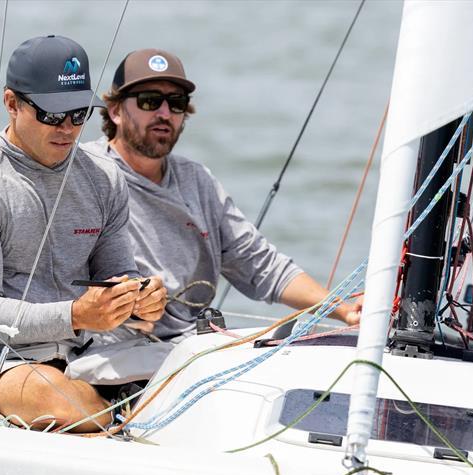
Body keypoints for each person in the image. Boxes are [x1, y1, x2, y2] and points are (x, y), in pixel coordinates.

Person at [0, 35, 168, 433]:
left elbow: (117, 275)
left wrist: (139, 299)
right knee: (64, 403)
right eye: (53, 115)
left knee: (207, 380)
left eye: (78, 114)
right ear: (11, 103)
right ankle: (119, 424)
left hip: (82, 355)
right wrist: (75, 316)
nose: (68, 128)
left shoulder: (104, 178)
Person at [79, 48, 361, 352]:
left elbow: (262, 265)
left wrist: (344, 310)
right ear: (115, 111)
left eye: (176, 103)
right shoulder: (87, 172)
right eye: (149, 101)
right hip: (112, 349)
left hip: (193, 345)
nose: (164, 113)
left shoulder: (198, 181)